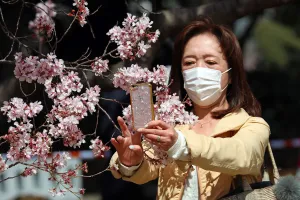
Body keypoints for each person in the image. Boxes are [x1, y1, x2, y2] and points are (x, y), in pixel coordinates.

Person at [109, 17, 270, 200]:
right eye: (189, 63)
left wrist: (181, 144)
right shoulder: (172, 125)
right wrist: (131, 162)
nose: (198, 69)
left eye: (210, 62)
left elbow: (243, 156)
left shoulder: (251, 125)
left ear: (231, 74)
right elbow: (147, 167)